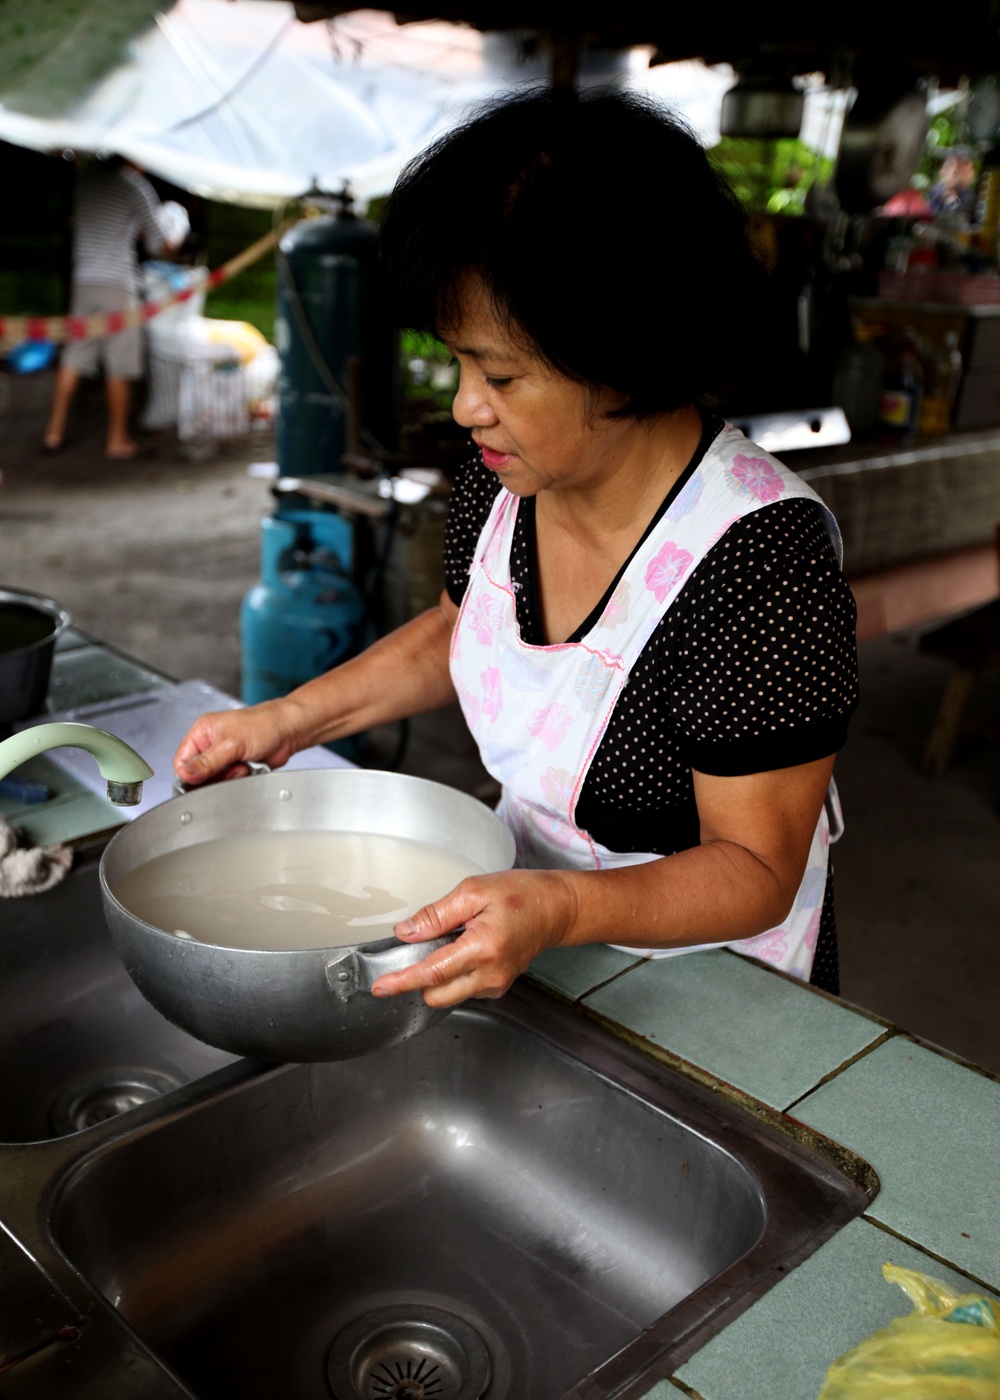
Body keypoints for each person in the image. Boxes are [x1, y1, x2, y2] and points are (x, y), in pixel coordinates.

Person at [175, 88, 859, 1006]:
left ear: (626, 353)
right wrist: (289, 721)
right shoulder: (505, 482)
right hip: (536, 936)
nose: (467, 406)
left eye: (500, 374)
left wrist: (561, 907)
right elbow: (460, 631)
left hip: (721, 995)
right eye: (458, 361)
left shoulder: (759, 566)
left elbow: (756, 868)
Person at [43, 155, 181, 459]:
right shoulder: (135, 186)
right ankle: (117, 441)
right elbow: (161, 241)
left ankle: (53, 432)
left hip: (83, 280)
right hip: (118, 284)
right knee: (120, 363)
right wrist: (175, 236)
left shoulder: (85, 182)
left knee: (75, 356)